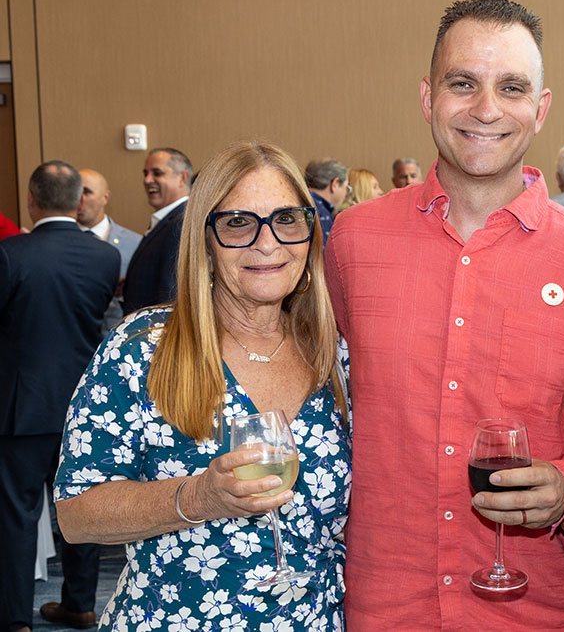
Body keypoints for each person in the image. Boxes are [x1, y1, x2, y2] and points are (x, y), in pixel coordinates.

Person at [325, 0, 564, 629]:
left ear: (540, 109)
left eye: (512, 88)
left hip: (538, 607)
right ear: (427, 96)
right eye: (462, 83)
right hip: (386, 602)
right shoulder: (353, 242)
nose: (486, 109)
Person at [54, 141, 351, 631]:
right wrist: (198, 498)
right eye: (238, 223)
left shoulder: (337, 355)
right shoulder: (142, 349)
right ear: (205, 240)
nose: (267, 243)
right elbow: (76, 514)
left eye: (287, 219)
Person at [0, 161, 120, 632]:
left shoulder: (12, 253)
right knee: (80, 506)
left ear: (32, 199)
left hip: (21, 405)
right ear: (80, 202)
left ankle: (14, 619)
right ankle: (81, 603)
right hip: (83, 404)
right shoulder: (106, 257)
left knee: (16, 515)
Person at [122, 147, 192, 315]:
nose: (147, 180)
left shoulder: (181, 223)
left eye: (157, 173)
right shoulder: (169, 220)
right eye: (145, 173)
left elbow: (171, 294)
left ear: (182, 178)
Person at [76, 168, 143, 332]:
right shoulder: (57, 245)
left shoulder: (135, 243)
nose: (80, 199)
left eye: (87, 192)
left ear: (105, 198)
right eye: (76, 192)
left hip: (118, 339)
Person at [304, 158, 350, 246]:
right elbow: (324, 258)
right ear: (335, 184)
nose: (346, 194)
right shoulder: (322, 215)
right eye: (346, 187)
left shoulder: (299, 201)